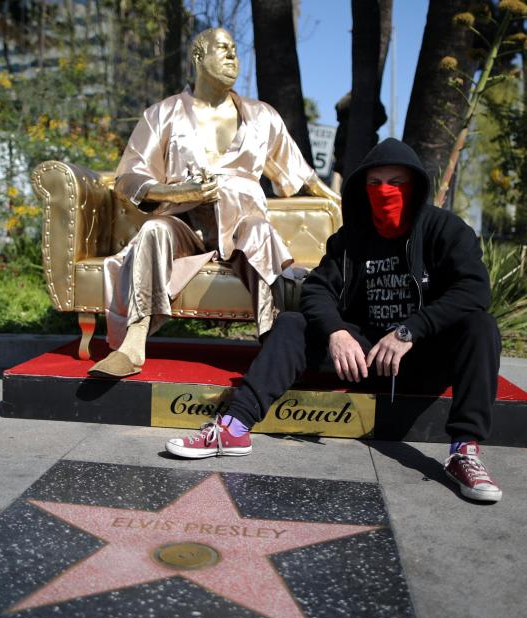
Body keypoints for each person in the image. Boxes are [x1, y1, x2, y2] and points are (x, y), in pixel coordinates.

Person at [164, 138, 504, 503]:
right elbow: (317, 290)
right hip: (359, 358)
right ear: (362, 189)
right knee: (292, 323)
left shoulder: (445, 230)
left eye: (396, 182)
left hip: (418, 356)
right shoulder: (350, 239)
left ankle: (464, 450)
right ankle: (234, 427)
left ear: (416, 186)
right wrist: (337, 332)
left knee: (481, 326)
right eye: (374, 183)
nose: (384, 191)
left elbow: (474, 290)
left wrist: (409, 331)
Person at [89, 27, 338, 378]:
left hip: (243, 222)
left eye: (235, 49)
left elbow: (299, 172)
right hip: (184, 224)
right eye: (222, 48)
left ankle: (273, 344)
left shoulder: (262, 115)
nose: (232, 56)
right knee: (154, 232)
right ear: (198, 56)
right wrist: (178, 193)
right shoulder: (162, 114)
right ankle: (133, 343)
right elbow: (128, 177)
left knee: (262, 235)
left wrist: (337, 199)